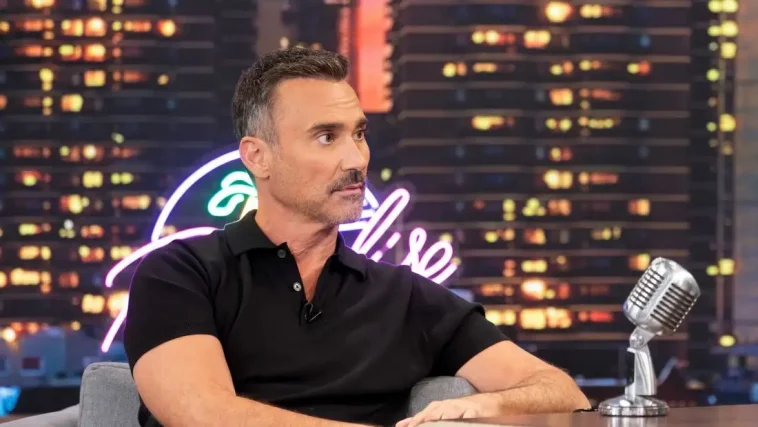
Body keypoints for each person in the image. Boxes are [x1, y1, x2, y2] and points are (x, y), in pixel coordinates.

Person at [123, 48, 590, 427]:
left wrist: (489, 405)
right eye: (326, 137)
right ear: (258, 157)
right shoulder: (181, 273)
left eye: (359, 134)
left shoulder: (404, 297)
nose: (356, 159)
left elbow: (561, 391)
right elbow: (203, 415)